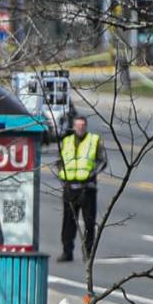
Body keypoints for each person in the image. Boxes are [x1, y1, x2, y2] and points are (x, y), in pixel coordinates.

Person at [57, 113, 104, 265]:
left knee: (89, 223)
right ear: (73, 126)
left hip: (87, 188)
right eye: (78, 125)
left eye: (83, 125)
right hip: (70, 187)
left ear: (86, 126)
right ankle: (67, 251)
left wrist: (91, 174)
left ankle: (88, 253)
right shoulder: (66, 141)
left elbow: (102, 161)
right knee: (68, 222)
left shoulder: (94, 140)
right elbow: (60, 161)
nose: (80, 128)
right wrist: (62, 176)